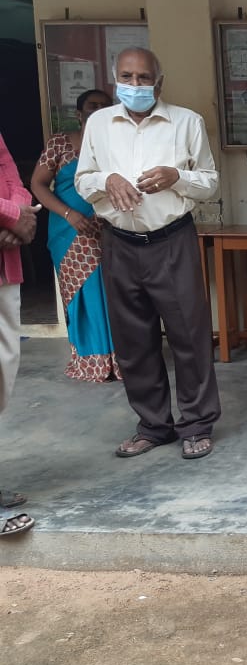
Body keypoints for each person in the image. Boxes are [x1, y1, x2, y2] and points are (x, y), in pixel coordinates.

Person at [75, 47, 222, 460]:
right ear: (114, 79)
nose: (135, 86)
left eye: (143, 78)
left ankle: (196, 423)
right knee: (133, 340)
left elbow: (210, 182)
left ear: (159, 82)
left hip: (172, 239)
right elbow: (84, 179)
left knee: (189, 336)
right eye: (127, 77)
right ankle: (153, 425)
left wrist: (178, 176)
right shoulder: (99, 125)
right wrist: (108, 179)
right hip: (119, 242)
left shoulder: (186, 121)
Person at [30, 89, 120, 382]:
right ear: (79, 113)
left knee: (113, 293)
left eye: (105, 106)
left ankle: (120, 361)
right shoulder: (60, 143)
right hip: (68, 232)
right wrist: (70, 215)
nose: (98, 110)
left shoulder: (118, 144)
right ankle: (91, 360)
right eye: (92, 106)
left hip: (110, 229)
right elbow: (38, 184)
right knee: (82, 294)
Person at [0, 130, 38, 536]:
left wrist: (18, 214)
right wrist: (12, 217)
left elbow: (9, 172)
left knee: (2, 374)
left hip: (4, 265)